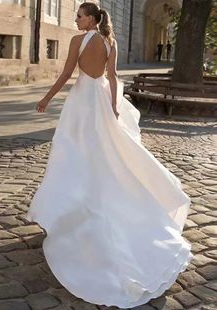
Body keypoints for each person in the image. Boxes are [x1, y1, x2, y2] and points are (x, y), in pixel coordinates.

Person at [26, 2, 193, 308]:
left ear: (90, 18)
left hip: (82, 101)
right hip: (101, 98)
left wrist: (46, 98)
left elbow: (66, 73)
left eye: (79, 16)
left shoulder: (80, 41)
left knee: (74, 152)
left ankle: (71, 210)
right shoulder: (109, 41)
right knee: (104, 151)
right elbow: (113, 76)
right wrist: (114, 106)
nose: (76, 20)